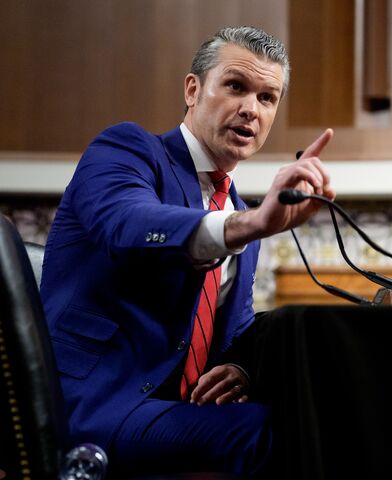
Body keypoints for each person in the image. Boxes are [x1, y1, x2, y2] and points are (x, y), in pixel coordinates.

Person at [40, 26, 335, 476]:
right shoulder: (128, 150)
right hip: (91, 404)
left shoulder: (236, 211)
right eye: (236, 86)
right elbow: (127, 224)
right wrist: (250, 225)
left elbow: (229, 334)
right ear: (193, 90)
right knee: (274, 431)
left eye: (267, 97)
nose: (250, 110)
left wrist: (240, 367)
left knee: (319, 408)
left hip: (173, 411)